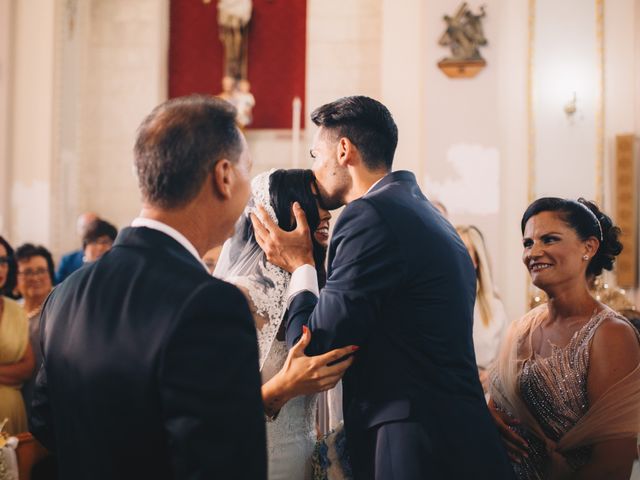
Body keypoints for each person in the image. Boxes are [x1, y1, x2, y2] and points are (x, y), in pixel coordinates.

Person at [251, 95, 514, 479]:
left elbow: (312, 350)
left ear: (343, 150)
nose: (314, 168)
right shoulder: (427, 216)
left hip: (412, 446)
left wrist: (302, 265)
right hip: (455, 436)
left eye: (315, 155)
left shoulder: (368, 216)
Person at [30, 95, 267, 479]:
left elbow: (44, 419)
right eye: (247, 172)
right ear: (223, 176)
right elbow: (224, 464)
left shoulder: (66, 293)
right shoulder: (209, 304)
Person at [215, 168, 353, 479]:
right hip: (252, 462)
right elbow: (213, 409)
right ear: (278, 216)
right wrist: (279, 390)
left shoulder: (314, 291)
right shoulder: (234, 297)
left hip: (304, 461)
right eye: (311, 202)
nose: (326, 215)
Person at [489, 197, 640, 479]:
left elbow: (613, 466)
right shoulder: (519, 330)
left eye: (549, 239)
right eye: (528, 243)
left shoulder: (610, 334)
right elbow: (495, 410)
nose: (534, 252)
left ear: (589, 247)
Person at [456, 225, 508, 391]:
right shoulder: (437, 303)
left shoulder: (495, 308)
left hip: (484, 399)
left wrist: (492, 375)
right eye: (455, 249)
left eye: (466, 250)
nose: (458, 256)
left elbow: (507, 362)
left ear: (477, 260)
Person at [14, 243, 55, 418]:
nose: (36, 277)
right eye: (28, 272)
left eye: (41, 271)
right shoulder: (11, 310)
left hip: (49, 399)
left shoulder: (57, 309)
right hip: (14, 398)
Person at [0, 236, 34, 434]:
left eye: (3, 262)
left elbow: (27, 368)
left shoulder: (16, 310)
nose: (1, 269)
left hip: (13, 412)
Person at [55, 212, 98, 283]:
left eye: (92, 226)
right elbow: (58, 288)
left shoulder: (110, 258)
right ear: (78, 230)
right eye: (84, 227)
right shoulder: (68, 260)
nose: (89, 231)